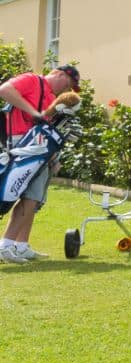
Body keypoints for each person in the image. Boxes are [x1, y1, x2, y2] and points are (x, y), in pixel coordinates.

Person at [0, 63, 81, 262]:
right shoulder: (32, 80)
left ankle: (21, 245)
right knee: (29, 195)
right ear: (61, 75)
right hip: (20, 143)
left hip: (38, 147)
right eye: (69, 84)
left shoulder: (52, 98)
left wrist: (55, 158)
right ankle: (6, 245)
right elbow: (4, 90)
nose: (67, 90)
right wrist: (34, 113)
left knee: (34, 197)